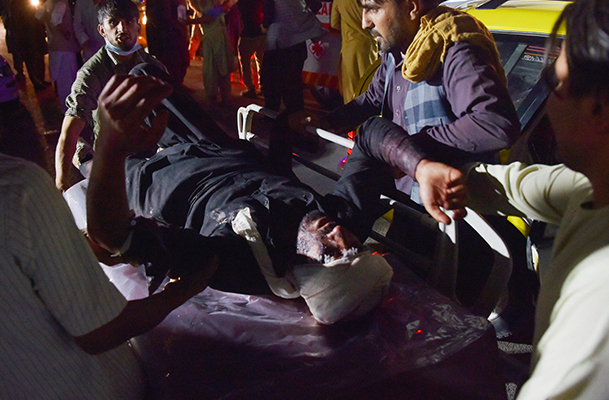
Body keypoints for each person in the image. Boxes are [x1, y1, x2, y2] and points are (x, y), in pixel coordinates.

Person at [406, 0, 609, 397]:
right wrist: (450, 176)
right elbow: (520, 185)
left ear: (599, 106)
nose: (547, 98)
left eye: (554, 85)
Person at [85, 72, 394, 325]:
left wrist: (109, 148)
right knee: (146, 78)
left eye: (334, 255)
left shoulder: (236, 258)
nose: (340, 235)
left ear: (302, 272)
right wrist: (423, 166)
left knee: (111, 128)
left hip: (167, 179)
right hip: (220, 150)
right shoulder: (340, 219)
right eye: (355, 247)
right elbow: (371, 134)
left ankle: (86, 144)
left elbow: (116, 237)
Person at [0, 97, 216, 399]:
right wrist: (185, 289)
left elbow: (18, 262)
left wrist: (81, 246)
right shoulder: (18, 188)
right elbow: (102, 330)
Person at [302, 0, 520, 208]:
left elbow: (493, 123)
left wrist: (407, 150)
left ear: (412, 7)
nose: (365, 22)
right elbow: (371, 99)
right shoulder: (396, 52)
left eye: (373, 9)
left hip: (453, 213)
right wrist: (328, 122)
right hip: (409, 201)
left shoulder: (453, 50)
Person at [55, 0, 166, 191]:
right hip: (113, 154)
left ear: (138, 27)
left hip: (151, 150)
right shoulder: (92, 72)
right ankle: (84, 157)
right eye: (113, 22)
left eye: (129, 21)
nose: (122, 28)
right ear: (101, 30)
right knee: (109, 180)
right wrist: (62, 184)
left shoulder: (154, 67)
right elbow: (70, 130)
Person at [260, 0, 326, 113]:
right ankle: (296, 120)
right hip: (297, 44)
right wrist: (300, 19)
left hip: (278, 43)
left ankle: (271, 118)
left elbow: (268, 14)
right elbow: (316, 4)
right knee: (294, 86)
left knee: (271, 84)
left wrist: (263, 27)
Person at [183, 0, 238, 107]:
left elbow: (210, 16)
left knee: (214, 69)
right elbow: (214, 13)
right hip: (215, 35)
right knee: (220, 68)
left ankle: (217, 99)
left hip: (215, 36)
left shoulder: (201, 2)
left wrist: (190, 22)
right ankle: (223, 98)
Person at [35, 0, 82, 114]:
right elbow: (56, 21)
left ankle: (66, 107)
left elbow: (38, 15)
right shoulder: (61, 3)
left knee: (62, 81)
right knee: (68, 80)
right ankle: (69, 109)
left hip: (54, 47)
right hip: (65, 49)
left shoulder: (48, 3)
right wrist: (66, 34)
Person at [330, 0, 378, 103]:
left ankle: (352, 116)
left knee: (350, 89)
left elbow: (334, 23)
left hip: (349, 47)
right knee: (369, 84)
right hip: (368, 46)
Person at [146, 0, 190, 85]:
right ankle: (173, 89)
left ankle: (179, 85)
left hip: (177, 32)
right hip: (165, 36)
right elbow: (157, 16)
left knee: (182, 61)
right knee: (171, 64)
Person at [236, 0, 265, 98]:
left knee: (245, 61)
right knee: (261, 60)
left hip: (248, 33)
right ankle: (264, 86)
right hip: (261, 31)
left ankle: (250, 88)